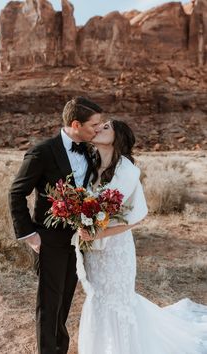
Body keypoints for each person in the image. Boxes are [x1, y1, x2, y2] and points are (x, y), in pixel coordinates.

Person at [77, 119, 207, 354]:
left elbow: (136, 218)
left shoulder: (126, 171)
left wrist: (98, 232)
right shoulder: (89, 167)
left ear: (118, 138)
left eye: (106, 127)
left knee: (118, 302)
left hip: (116, 249)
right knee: (97, 299)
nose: (98, 128)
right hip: (94, 252)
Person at [8, 96, 103, 354]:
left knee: (66, 299)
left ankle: (60, 348)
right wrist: (30, 235)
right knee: (49, 303)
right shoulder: (42, 152)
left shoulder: (92, 152)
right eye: (94, 125)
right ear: (75, 123)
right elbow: (16, 193)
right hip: (48, 238)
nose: (98, 129)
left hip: (79, 238)